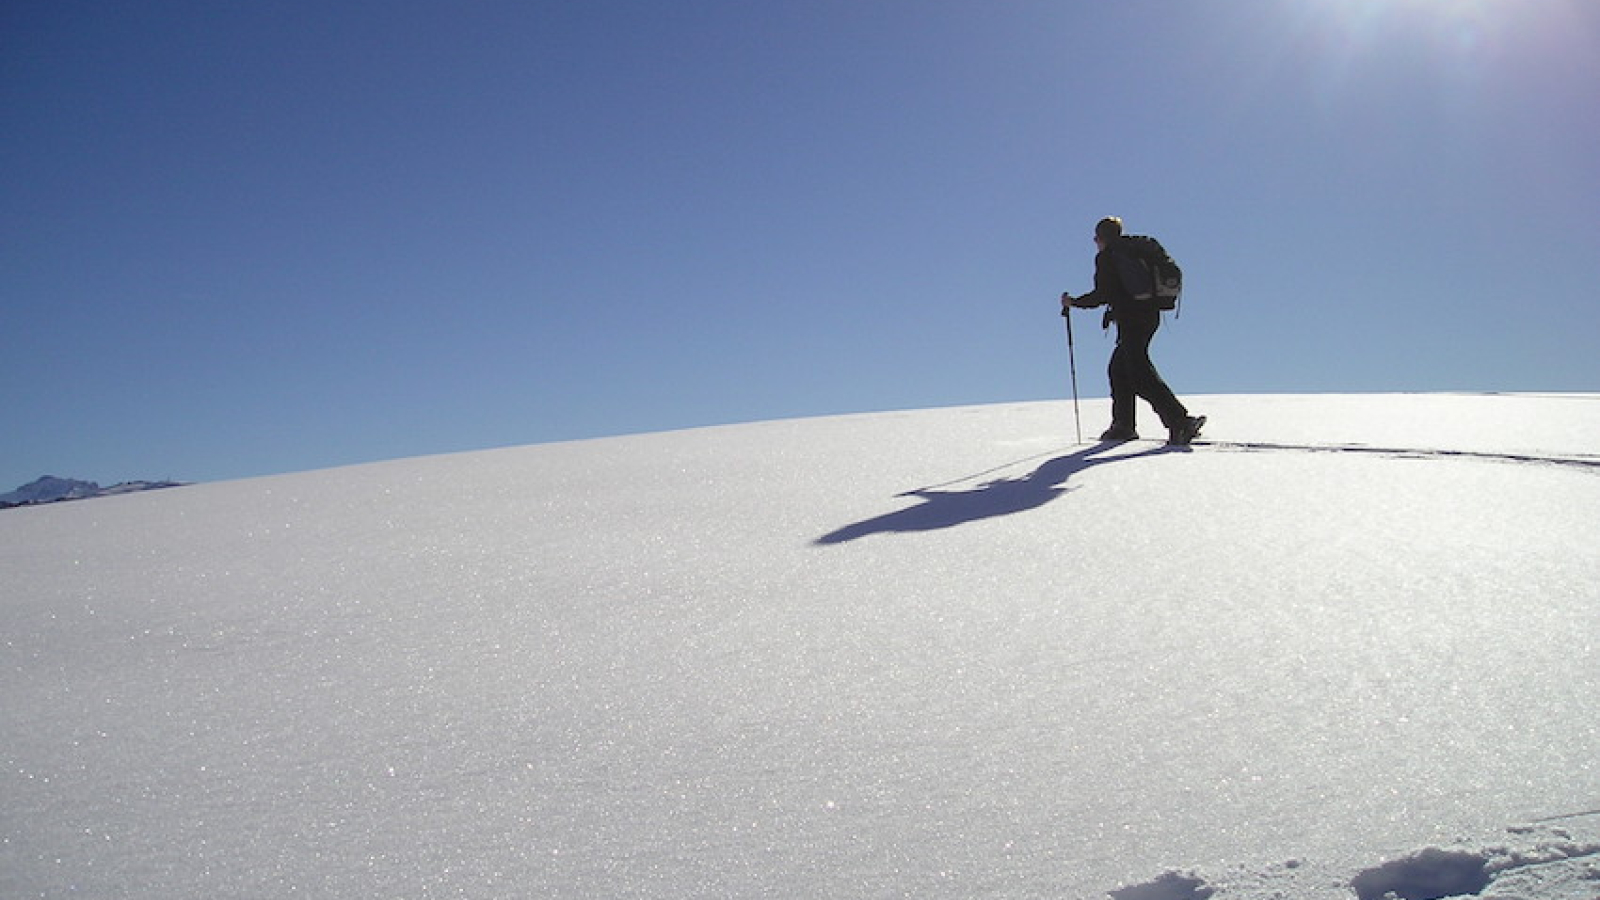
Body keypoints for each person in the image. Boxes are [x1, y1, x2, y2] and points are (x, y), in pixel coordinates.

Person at [1060, 216, 1205, 445]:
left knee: (1138, 373)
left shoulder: (1109, 257)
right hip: (1150, 316)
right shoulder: (1134, 250)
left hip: (1132, 319)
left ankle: (1179, 422)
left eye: (1096, 238)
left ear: (1102, 237)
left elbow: (1103, 294)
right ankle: (1123, 425)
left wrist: (1074, 302)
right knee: (1120, 369)